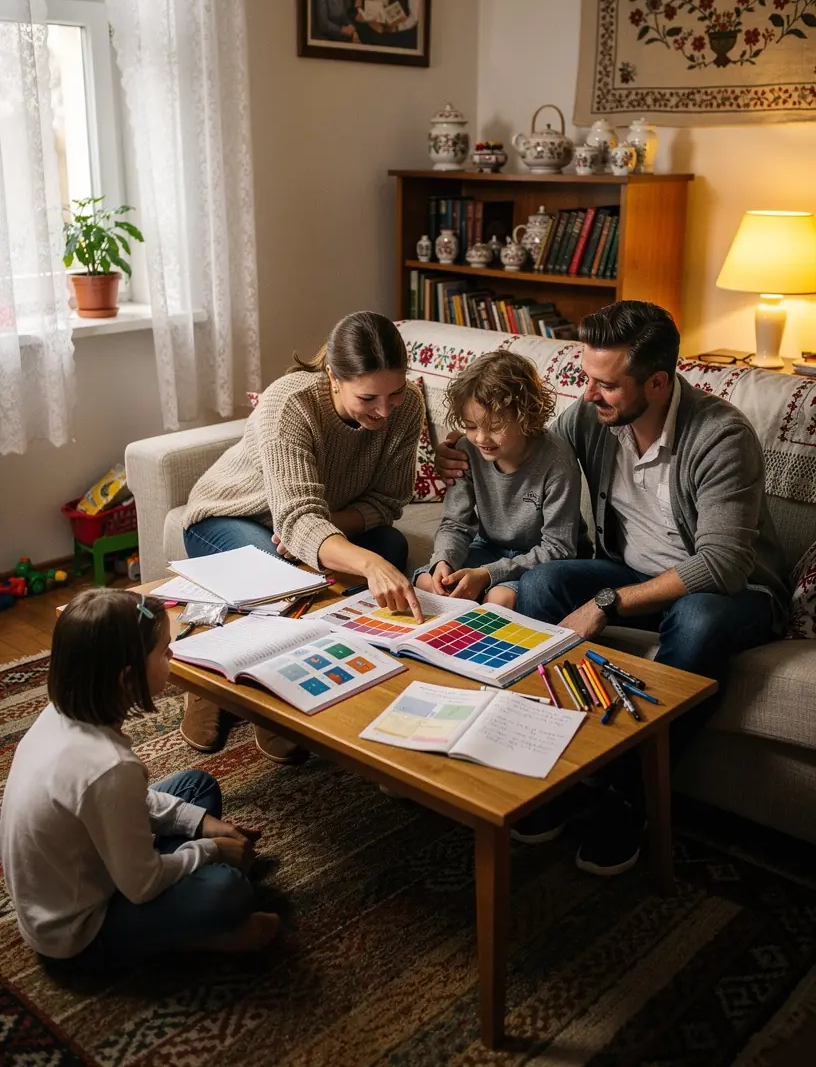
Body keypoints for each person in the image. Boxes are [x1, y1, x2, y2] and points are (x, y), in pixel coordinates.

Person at [435, 301, 788, 874]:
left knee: (697, 619)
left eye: (606, 384)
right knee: (543, 583)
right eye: (587, 377)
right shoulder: (592, 419)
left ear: (657, 382)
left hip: (733, 592)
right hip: (630, 570)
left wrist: (608, 603)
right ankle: (558, 766)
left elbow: (722, 564)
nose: (588, 394)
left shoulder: (721, 436)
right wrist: (460, 450)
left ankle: (628, 796)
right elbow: (528, 449)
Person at [181, 310, 425, 758]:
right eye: (368, 397)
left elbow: (388, 502)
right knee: (285, 579)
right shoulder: (290, 402)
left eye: (394, 393)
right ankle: (220, 686)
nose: (384, 410)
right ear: (333, 376)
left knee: (393, 544)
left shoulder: (406, 406)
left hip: (311, 519)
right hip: (230, 515)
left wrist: (322, 531)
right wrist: (353, 556)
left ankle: (314, 664)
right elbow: (296, 521)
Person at [0, 588, 279, 967]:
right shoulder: (108, 767)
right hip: (77, 931)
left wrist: (202, 824)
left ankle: (178, 882)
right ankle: (192, 939)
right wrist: (211, 850)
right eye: (164, 651)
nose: (172, 655)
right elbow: (142, 885)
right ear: (128, 678)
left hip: (76, 878)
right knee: (230, 891)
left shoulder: (62, 712)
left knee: (197, 787)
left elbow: (123, 801)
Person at [415, 351, 587, 608]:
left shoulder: (558, 461)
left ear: (526, 416)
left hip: (542, 559)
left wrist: (488, 574)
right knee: (428, 582)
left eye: (495, 426)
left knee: (499, 599)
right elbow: (455, 524)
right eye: (470, 426)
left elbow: (559, 548)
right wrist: (444, 561)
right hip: (489, 547)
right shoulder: (465, 451)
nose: (481, 438)